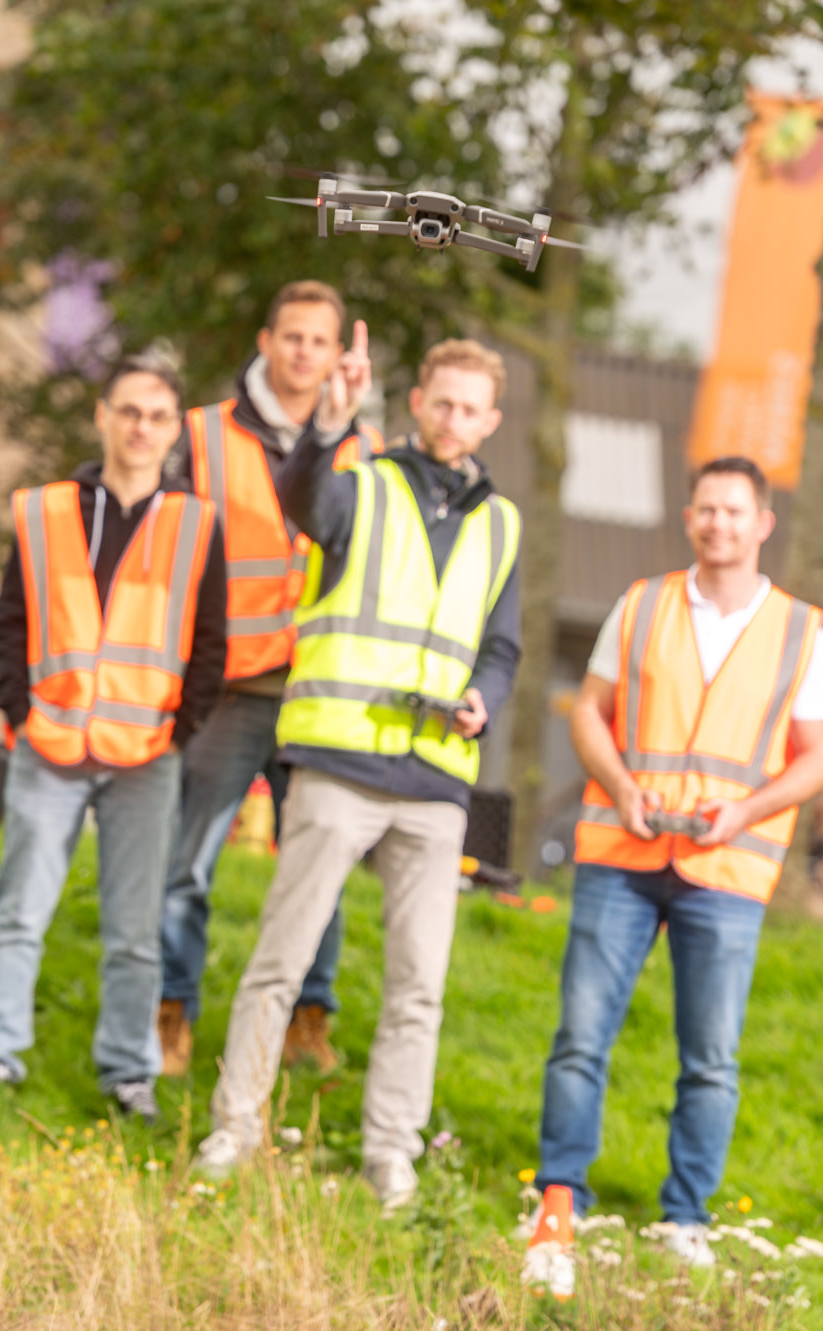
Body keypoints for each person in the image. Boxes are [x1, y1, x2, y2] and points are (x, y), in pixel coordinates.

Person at [194, 332, 522, 1212]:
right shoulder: (362, 482)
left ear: (491, 420)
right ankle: (235, 1124)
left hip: (436, 781)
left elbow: (501, 645)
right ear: (417, 401)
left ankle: (392, 1152)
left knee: (421, 984)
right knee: (282, 958)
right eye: (441, 401)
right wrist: (331, 420)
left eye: (471, 408)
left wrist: (484, 698)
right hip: (340, 761)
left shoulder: (503, 522)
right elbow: (302, 502)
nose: (454, 419)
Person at [522, 456, 823, 1298]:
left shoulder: (802, 632)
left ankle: (686, 1220)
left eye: (735, 512)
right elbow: (589, 708)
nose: (719, 524)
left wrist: (747, 809)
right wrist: (622, 786)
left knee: (710, 1057)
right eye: (706, 509)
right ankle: (559, 1196)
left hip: (728, 866)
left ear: (762, 523)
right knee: (581, 1036)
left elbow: (822, 757)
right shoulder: (642, 604)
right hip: (622, 854)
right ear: (689, 516)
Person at [0, 351, 227, 1121]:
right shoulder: (46, 510)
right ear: (102, 416)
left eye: (156, 416)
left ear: (174, 430)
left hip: (149, 753)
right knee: (20, 908)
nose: (141, 427)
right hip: (49, 740)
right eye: (129, 411)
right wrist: (18, 710)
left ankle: (127, 1070)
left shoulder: (196, 522)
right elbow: (9, 618)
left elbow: (211, 640)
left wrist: (181, 729)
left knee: (136, 927)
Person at [158, 280, 383, 1079]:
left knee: (318, 867)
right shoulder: (201, 436)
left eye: (318, 341)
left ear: (335, 354)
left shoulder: (364, 446)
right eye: (291, 337)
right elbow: (169, 554)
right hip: (228, 688)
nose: (302, 353)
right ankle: (169, 1011)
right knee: (186, 858)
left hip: (319, 695)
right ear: (265, 340)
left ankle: (307, 1021)